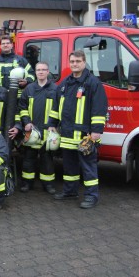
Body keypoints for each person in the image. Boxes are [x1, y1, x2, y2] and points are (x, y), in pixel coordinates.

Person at [49, 50, 108, 209]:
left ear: (84, 62)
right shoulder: (65, 83)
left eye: (78, 61)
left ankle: (91, 196)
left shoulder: (92, 83)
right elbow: (56, 106)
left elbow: (99, 108)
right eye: (72, 61)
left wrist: (96, 131)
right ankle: (70, 191)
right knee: (70, 167)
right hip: (67, 134)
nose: (75, 64)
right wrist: (52, 124)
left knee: (89, 168)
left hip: (85, 135)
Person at [17, 61, 58, 194]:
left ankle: (48, 185)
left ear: (48, 72)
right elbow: (22, 107)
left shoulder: (55, 89)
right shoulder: (29, 88)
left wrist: (54, 124)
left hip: (48, 131)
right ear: (35, 72)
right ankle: (27, 183)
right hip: (32, 131)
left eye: (43, 69)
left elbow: (59, 109)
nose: (40, 72)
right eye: (38, 70)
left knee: (47, 160)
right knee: (28, 159)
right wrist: (26, 122)